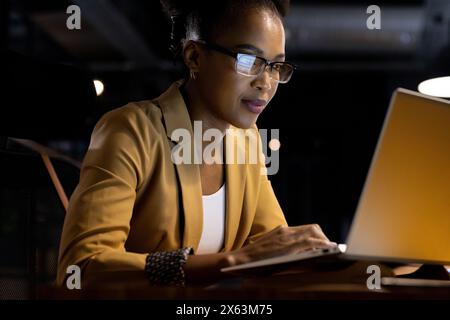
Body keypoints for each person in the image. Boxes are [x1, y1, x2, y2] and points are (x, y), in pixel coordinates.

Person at [56, 0, 337, 288]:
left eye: (275, 66)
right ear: (194, 56)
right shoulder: (130, 130)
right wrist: (232, 261)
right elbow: (81, 267)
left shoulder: (247, 141)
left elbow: (273, 250)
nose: (266, 82)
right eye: (248, 60)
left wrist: (358, 263)